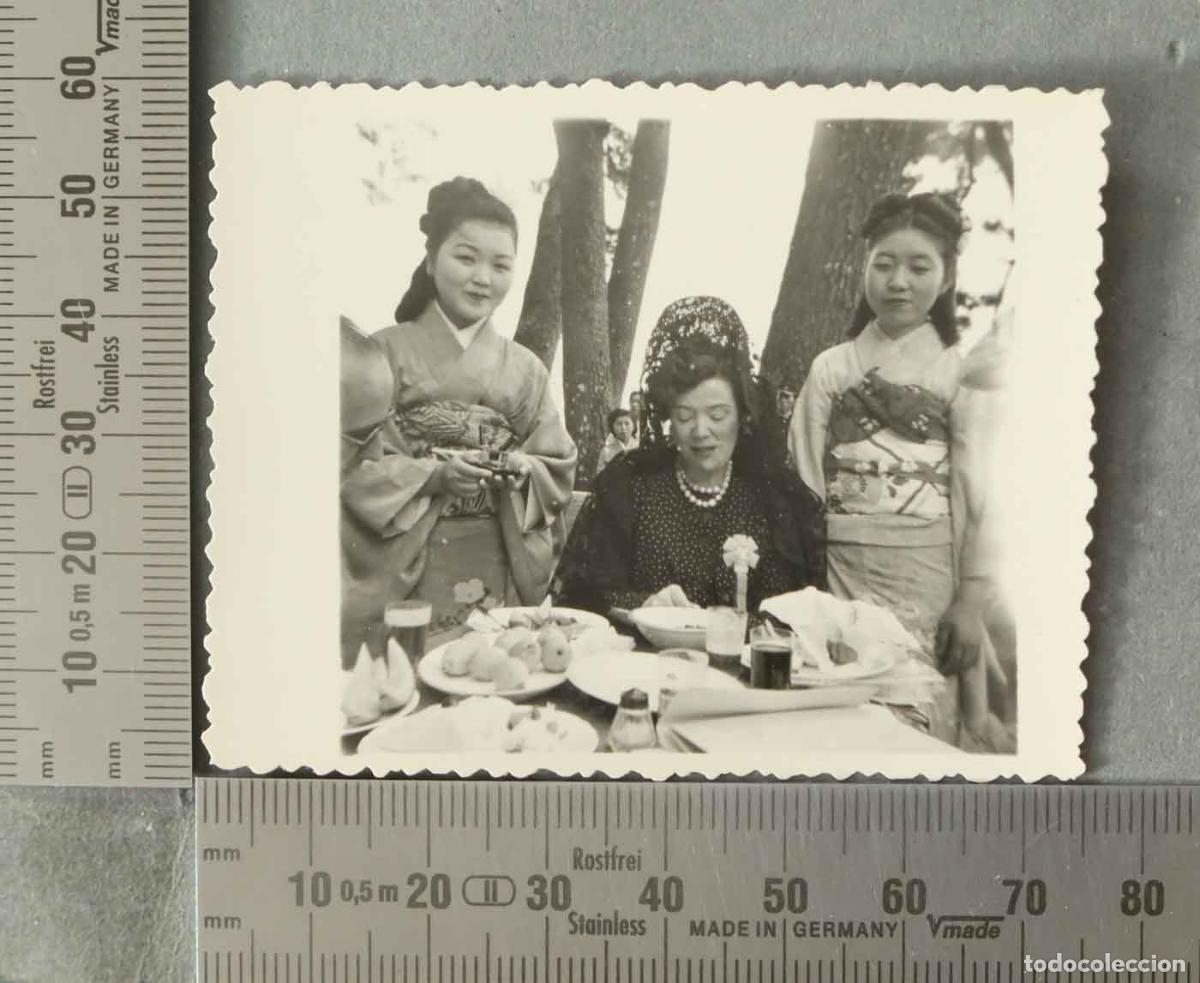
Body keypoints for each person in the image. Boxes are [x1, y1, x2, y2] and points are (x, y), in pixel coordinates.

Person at [787, 191, 1010, 750]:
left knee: (918, 716)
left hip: (928, 576)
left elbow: (989, 496)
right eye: (883, 264)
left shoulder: (961, 374)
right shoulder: (831, 369)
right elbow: (805, 481)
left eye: (919, 267)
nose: (899, 282)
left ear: (947, 275)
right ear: (864, 266)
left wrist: (971, 601)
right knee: (842, 708)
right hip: (838, 569)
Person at [341, 177, 577, 662]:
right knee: (408, 678)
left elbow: (557, 466)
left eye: (500, 265)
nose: (483, 278)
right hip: (408, 561)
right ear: (431, 260)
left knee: (493, 672)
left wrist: (522, 470)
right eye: (466, 258)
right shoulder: (383, 353)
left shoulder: (527, 369)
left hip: (499, 556)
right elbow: (350, 471)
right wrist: (432, 476)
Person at [555, 296, 824, 615]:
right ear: (668, 417)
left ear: (742, 415)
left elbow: (799, 612)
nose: (700, 430)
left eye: (717, 415)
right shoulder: (630, 489)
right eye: (684, 416)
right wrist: (643, 605)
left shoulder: (773, 498)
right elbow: (581, 596)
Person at [596, 407, 638, 475]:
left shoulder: (640, 447)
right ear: (612, 427)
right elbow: (600, 477)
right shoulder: (606, 451)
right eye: (619, 424)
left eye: (627, 423)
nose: (623, 428)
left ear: (633, 426)